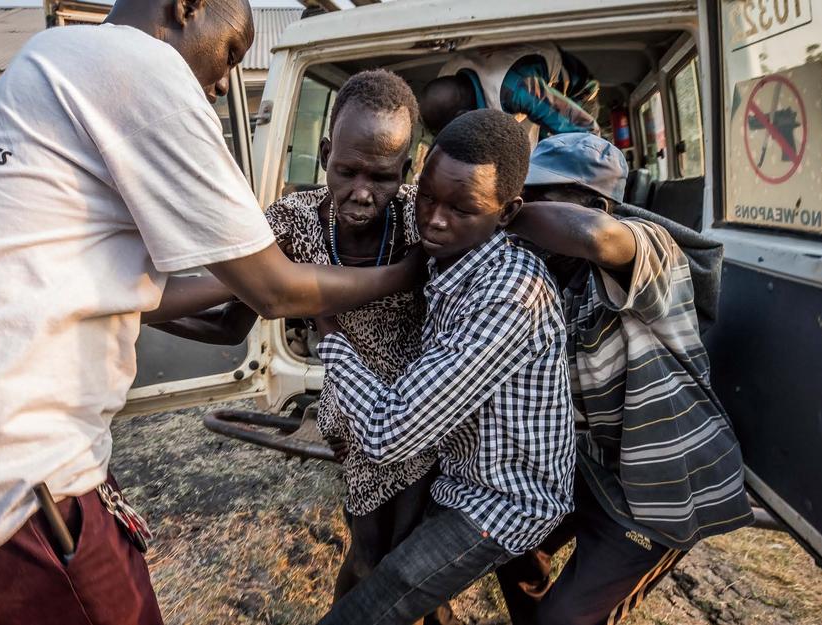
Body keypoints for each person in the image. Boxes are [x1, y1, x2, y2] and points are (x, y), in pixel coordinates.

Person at [0, 1, 421, 623]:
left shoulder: (45, 62)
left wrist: (150, 304)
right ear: (187, 7)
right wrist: (400, 276)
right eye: (231, 56)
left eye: (383, 174)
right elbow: (273, 294)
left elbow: (134, 289)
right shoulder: (141, 69)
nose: (219, 86)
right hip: (0, 482)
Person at [155, 69, 455, 625]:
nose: (362, 192)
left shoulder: (425, 222)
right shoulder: (291, 226)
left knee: (413, 568)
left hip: (424, 417)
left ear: (409, 169)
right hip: (353, 423)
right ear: (323, 154)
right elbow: (228, 325)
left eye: (382, 176)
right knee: (370, 557)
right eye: (346, 170)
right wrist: (133, 314)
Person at [314, 109, 576, 625]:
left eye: (462, 208)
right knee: (380, 564)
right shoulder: (451, 254)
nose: (433, 219)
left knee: (384, 594)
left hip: (502, 498)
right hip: (458, 466)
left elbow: (391, 432)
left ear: (506, 213)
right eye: (428, 196)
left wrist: (329, 337)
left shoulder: (508, 296)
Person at [495, 132, 754, 625]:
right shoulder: (547, 277)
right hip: (591, 472)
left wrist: (491, 209)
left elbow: (593, 235)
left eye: (535, 200)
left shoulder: (651, 251)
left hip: (657, 497)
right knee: (505, 541)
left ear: (599, 204)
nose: (521, 214)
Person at [419, 43, 600, 140]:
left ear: (464, 114)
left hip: (577, 93)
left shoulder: (519, 89)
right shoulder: (447, 74)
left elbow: (587, 132)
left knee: (554, 152)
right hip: (522, 89)